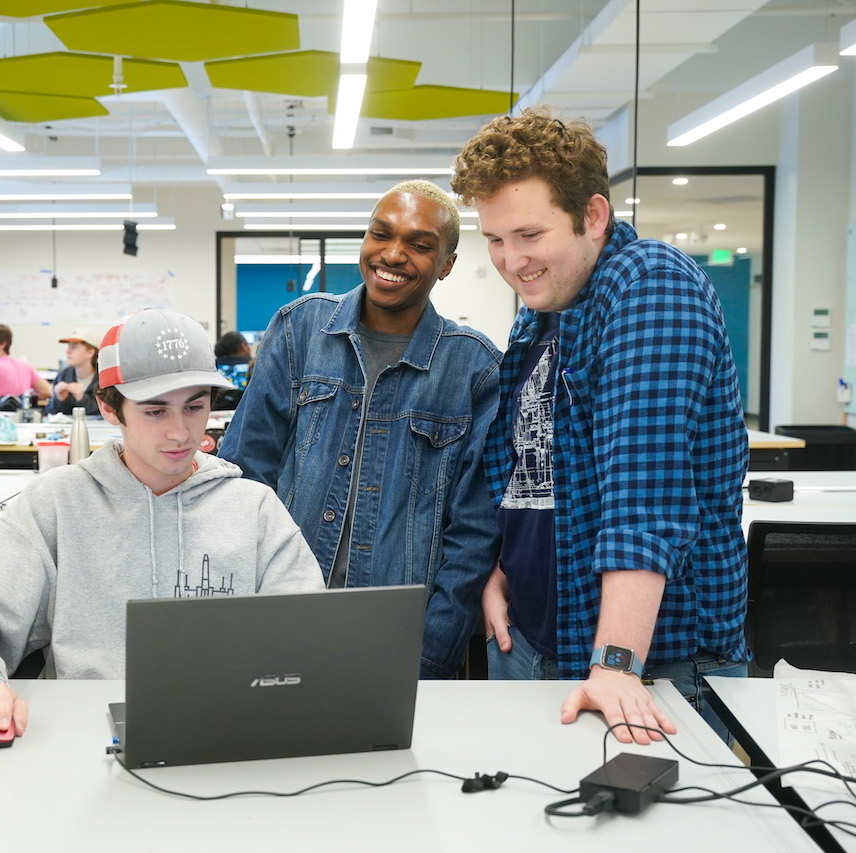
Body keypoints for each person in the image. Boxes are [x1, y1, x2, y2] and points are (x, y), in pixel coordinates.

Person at [451, 107, 749, 745]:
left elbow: (647, 499)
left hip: (648, 665)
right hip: (536, 639)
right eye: (495, 240)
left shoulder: (649, 288)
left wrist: (616, 664)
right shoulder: (543, 313)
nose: (511, 260)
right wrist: (506, 567)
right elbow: (532, 471)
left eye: (529, 234)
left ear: (592, 215)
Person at [0, 308, 325, 748]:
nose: (180, 432)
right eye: (155, 411)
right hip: (80, 739)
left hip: (230, 733)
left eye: (195, 407)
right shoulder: (56, 502)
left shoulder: (254, 507)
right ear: (109, 408)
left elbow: (311, 635)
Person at [218, 180, 502, 679]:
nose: (393, 255)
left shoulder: (474, 368)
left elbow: (474, 533)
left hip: (398, 635)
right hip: (283, 615)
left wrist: (430, 652)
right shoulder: (300, 328)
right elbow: (244, 479)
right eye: (381, 234)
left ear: (447, 265)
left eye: (419, 245)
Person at [45, 328, 101, 417]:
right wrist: (59, 400)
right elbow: (50, 413)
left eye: (74, 347)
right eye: (68, 347)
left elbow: (109, 414)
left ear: (90, 352)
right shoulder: (63, 375)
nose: (67, 352)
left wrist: (82, 399)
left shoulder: (104, 378)